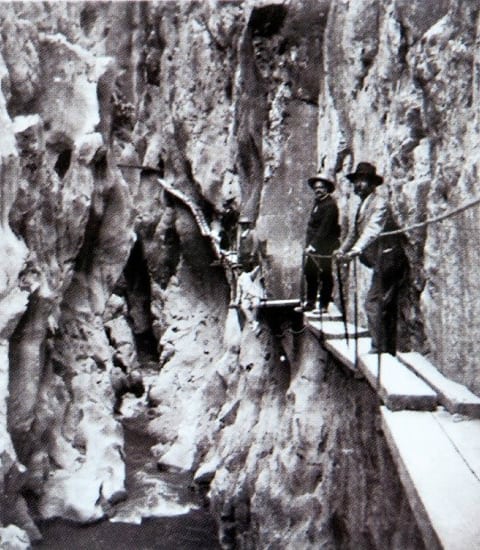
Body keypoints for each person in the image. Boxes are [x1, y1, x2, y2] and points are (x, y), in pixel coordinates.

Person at [335, 162, 408, 354]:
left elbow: (373, 229)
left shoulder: (380, 203)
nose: (358, 185)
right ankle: (385, 347)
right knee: (383, 304)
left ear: (373, 184)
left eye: (363, 181)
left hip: (389, 259)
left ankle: (379, 349)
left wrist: (357, 249)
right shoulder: (362, 205)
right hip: (380, 260)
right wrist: (342, 250)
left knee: (372, 303)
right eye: (356, 182)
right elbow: (354, 233)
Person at [303, 173, 340, 312]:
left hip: (325, 246)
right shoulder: (318, 203)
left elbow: (324, 228)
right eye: (316, 188)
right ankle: (310, 302)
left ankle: (323, 305)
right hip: (314, 246)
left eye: (321, 188)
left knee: (325, 274)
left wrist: (313, 246)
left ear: (327, 189)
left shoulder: (330, 205)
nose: (318, 190)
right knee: (310, 272)